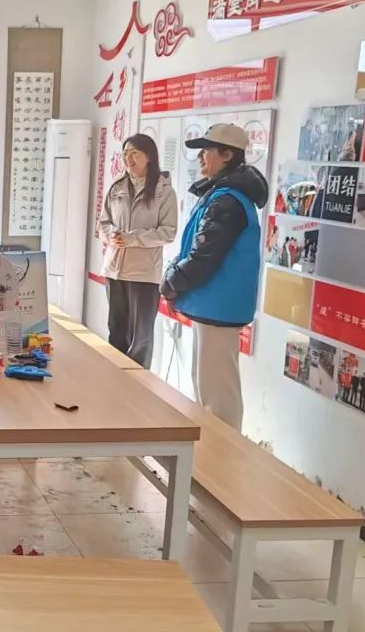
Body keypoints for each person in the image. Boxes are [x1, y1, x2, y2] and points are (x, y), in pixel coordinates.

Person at [161, 124, 267, 431]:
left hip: (219, 307)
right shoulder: (223, 195)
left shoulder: (228, 201)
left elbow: (203, 257)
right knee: (207, 390)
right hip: (213, 305)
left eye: (207, 150)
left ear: (228, 155)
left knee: (218, 398)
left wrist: (170, 283)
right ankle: (211, 452)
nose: (201, 157)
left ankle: (225, 455)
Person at [97, 134, 178, 370]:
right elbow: (102, 223)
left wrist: (132, 238)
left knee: (140, 337)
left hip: (144, 273)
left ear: (149, 157)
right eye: (125, 154)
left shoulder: (164, 191)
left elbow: (168, 232)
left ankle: (137, 383)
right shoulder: (117, 187)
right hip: (115, 270)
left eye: (134, 153)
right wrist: (111, 234)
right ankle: (115, 379)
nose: (128, 159)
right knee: (116, 330)